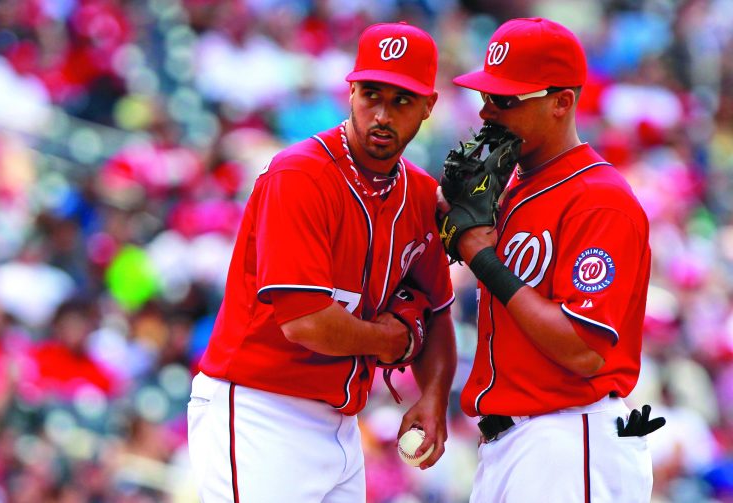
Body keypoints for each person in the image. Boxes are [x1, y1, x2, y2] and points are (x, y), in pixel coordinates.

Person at [187, 21, 457, 502]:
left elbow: (436, 312)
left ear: (428, 106)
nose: (382, 115)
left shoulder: (420, 194)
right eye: (371, 94)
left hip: (342, 423)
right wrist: (391, 340)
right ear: (350, 91)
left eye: (401, 101)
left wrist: (433, 396)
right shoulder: (300, 175)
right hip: (260, 412)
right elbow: (306, 322)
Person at [437, 17, 662, 502]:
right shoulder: (513, 188)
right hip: (511, 444)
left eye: (506, 99)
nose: (487, 110)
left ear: (561, 102)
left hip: (568, 439)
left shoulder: (600, 199)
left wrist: (482, 258)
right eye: (486, 95)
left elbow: (583, 349)